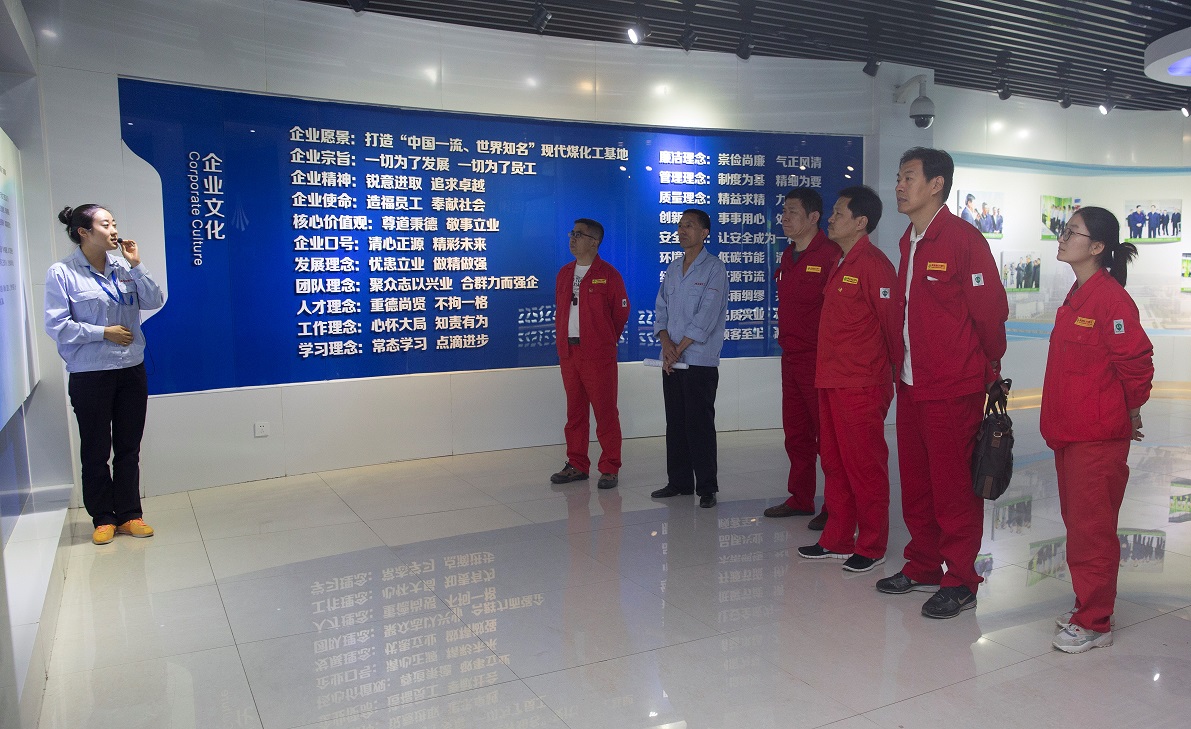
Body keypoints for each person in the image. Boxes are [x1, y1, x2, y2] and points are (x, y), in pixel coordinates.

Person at [879, 148, 1008, 619]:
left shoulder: (962, 240)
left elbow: (990, 313)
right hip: (912, 384)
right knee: (917, 482)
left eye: (908, 177)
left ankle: (961, 579)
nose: (899, 186)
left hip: (953, 386)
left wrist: (986, 367)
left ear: (936, 185)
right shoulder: (909, 240)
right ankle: (923, 564)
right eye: (898, 177)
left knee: (954, 488)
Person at [1043, 206, 1153, 653]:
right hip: (1068, 431)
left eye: (1072, 232)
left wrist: (1131, 412)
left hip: (1096, 436)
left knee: (1093, 529)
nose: (1062, 237)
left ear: (1097, 247)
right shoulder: (1077, 294)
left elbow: (1137, 363)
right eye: (1064, 230)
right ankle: (1086, 603)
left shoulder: (1111, 300)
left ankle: (1094, 622)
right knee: (1079, 524)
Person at [45, 205, 165, 545]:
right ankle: (103, 518)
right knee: (96, 450)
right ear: (83, 232)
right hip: (91, 373)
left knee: (129, 447)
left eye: (114, 223)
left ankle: (129, 515)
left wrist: (137, 264)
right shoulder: (62, 272)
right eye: (105, 224)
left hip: (130, 369)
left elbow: (154, 299)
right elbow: (56, 325)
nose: (114, 230)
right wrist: (103, 333)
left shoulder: (124, 267)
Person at [796, 186, 902, 573]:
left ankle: (872, 545)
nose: (831, 218)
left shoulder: (874, 265)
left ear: (861, 222)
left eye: (839, 213)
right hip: (831, 380)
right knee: (835, 463)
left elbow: (893, 326)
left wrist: (891, 377)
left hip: (861, 383)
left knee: (864, 465)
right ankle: (838, 538)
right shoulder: (841, 262)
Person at [763, 190, 840, 530]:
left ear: (814, 217)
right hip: (791, 357)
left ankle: (836, 506)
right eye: (784, 211)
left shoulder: (831, 255)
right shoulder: (788, 255)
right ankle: (800, 498)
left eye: (792, 211)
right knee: (796, 433)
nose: (785, 217)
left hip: (819, 360)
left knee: (828, 437)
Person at [650, 209, 729, 509]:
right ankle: (679, 482)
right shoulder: (673, 268)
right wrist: (666, 343)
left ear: (705, 232)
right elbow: (661, 309)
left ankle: (707, 487)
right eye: (680, 226)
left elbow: (706, 316)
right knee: (676, 423)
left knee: (699, 425)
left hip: (699, 361)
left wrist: (678, 347)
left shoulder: (714, 269)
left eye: (690, 226)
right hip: (671, 359)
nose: (682, 231)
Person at [549, 218, 630, 490]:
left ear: (594, 242)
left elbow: (621, 312)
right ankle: (577, 464)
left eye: (579, 234)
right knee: (575, 411)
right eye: (571, 233)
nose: (572, 239)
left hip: (598, 354)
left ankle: (609, 467)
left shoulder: (609, 275)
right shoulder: (564, 273)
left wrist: (604, 339)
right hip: (569, 352)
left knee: (605, 412)